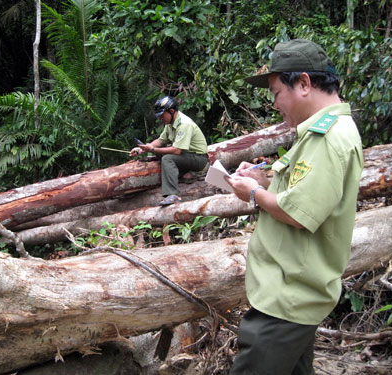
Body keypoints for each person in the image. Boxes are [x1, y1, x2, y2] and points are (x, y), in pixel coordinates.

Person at [225, 39, 364, 374]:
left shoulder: (329, 138)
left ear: (303, 83)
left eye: (275, 93)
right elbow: (301, 189)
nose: (275, 104)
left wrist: (254, 194)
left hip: (287, 301)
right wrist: (262, 178)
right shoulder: (319, 133)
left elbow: (296, 213)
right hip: (291, 297)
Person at [130, 96, 209, 206]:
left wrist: (152, 149)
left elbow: (177, 151)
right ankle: (178, 175)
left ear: (171, 111)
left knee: (167, 158)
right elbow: (161, 140)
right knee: (160, 153)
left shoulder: (184, 124)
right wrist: (142, 149)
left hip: (199, 158)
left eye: (162, 115)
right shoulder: (170, 123)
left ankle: (173, 195)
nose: (160, 118)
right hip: (186, 156)